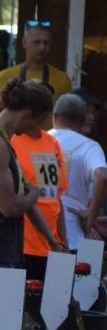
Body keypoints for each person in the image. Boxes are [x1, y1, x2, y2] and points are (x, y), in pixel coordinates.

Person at [0, 79, 57, 293]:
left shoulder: (3, 143)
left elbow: (24, 199)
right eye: (39, 122)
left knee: (9, 313)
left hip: (6, 250)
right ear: (27, 114)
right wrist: (33, 195)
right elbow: (11, 207)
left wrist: (54, 243)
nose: (38, 129)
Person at [11, 95, 69, 279]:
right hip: (23, 244)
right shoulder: (11, 142)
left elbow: (56, 197)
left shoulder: (52, 142)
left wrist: (63, 243)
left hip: (52, 245)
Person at [0, 21, 71, 124]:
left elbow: (69, 117)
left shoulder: (63, 79)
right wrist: (2, 131)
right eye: (36, 42)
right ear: (24, 43)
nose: (42, 47)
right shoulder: (5, 77)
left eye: (46, 43)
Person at [49, 93, 107, 250]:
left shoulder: (39, 141)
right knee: (80, 266)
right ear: (82, 120)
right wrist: (91, 215)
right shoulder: (89, 147)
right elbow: (102, 175)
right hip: (74, 234)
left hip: (38, 234)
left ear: (55, 117)